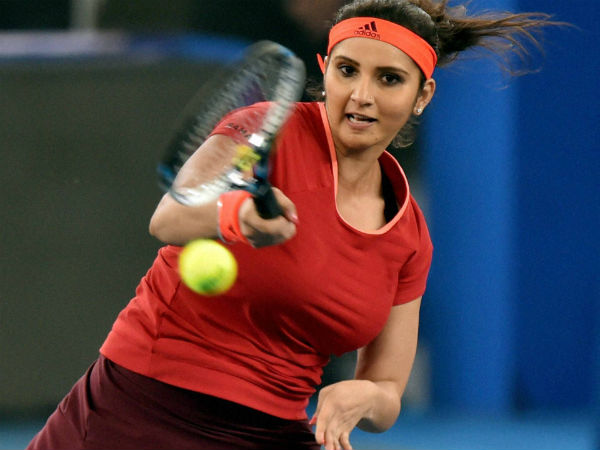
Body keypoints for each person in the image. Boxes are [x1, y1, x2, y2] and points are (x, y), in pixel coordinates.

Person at [27, 1, 560, 449]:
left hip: (273, 429)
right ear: (324, 69)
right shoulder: (265, 128)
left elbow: (387, 389)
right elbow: (169, 217)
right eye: (347, 70)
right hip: (143, 405)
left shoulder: (409, 236)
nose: (362, 95)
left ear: (422, 95)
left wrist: (364, 396)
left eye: (389, 79)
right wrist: (236, 216)